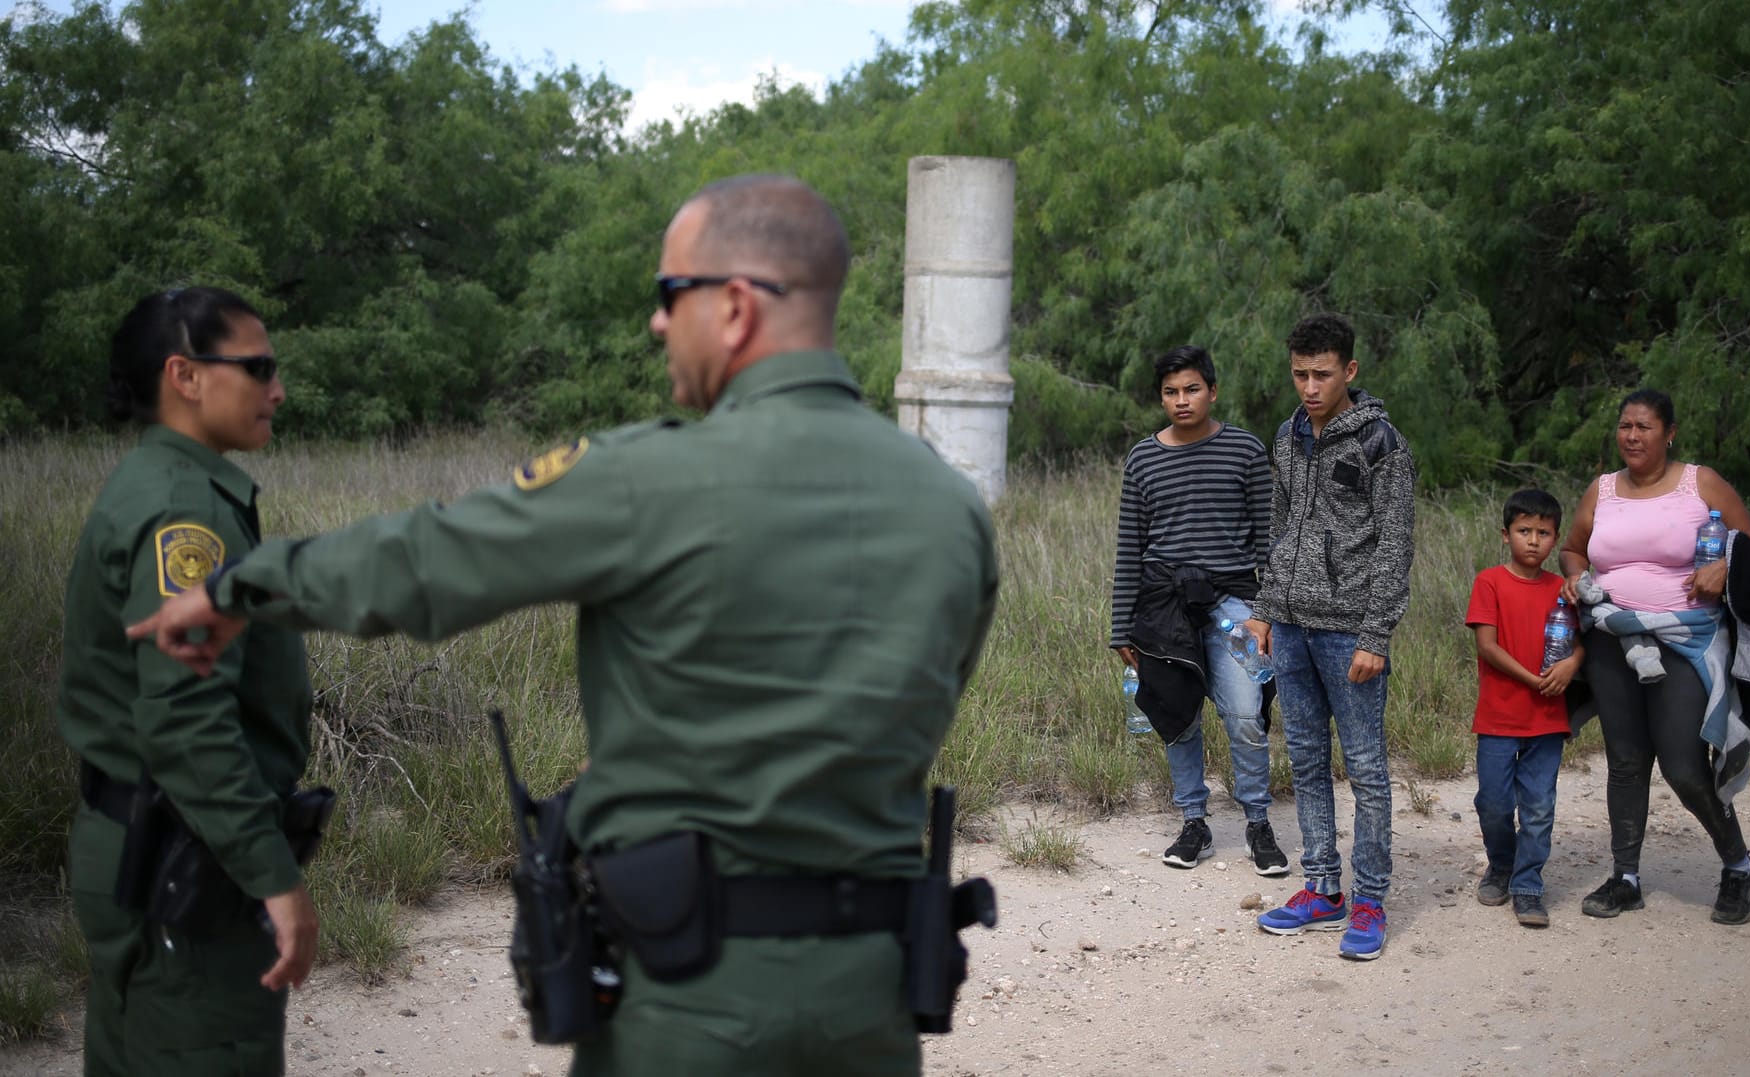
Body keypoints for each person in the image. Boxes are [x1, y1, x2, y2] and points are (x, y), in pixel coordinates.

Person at [128, 175, 1000, 1075]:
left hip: (687, 996)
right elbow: (918, 707)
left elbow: (428, 561)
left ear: (735, 307)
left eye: (671, 295)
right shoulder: (950, 504)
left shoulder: (644, 476)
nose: (659, 324)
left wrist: (243, 586)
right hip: (875, 999)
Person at [59, 287, 319, 1075]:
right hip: (185, 860)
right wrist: (271, 876)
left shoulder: (161, 486)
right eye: (258, 366)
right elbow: (187, 720)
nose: (276, 388)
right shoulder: (183, 513)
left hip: (144, 840)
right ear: (186, 375)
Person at [1558, 388, 1750, 925]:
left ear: (1669, 433)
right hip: (1611, 636)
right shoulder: (1602, 490)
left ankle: (1739, 866)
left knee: (1682, 763)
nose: (1632, 436)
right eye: (1625, 426)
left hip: (1684, 638)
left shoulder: (1701, 483)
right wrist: (1577, 578)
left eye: (1644, 427)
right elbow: (1573, 547)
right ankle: (1625, 877)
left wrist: (1725, 567)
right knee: (1626, 762)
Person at [1245, 312, 1415, 961]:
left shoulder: (1381, 443)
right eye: (1298, 374)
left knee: (1366, 768)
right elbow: (1279, 526)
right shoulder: (1287, 435)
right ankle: (1320, 886)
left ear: (1349, 369)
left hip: (1349, 633)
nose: (1309, 386)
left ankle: (1369, 898)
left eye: (1321, 374)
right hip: (1288, 624)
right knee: (1308, 760)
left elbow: (1394, 542)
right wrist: (1264, 606)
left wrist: (1376, 632)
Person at [1109, 345, 1287, 876]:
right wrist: (1122, 628)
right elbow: (1129, 548)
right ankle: (1194, 822)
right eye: (1170, 392)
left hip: (1233, 605)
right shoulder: (1143, 458)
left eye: (1191, 389)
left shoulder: (1246, 451)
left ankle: (1258, 821)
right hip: (1161, 609)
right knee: (1177, 719)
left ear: (1212, 390)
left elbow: (1270, 541)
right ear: (1160, 397)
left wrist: (1267, 613)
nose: (1181, 401)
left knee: (1244, 714)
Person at [1463, 488, 1581, 929]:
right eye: (1524, 530)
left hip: (1548, 719)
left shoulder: (1562, 590)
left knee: (1538, 806)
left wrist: (1571, 663)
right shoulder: (1489, 582)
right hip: (1499, 715)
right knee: (1492, 802)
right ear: (1505, 534)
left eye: (1544, 533)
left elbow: (1582, 642)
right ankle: (1501, 863)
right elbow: (1487, 646)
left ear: (1556, 539)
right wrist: (1532, 679)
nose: (1533, 540)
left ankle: (1529, 885)